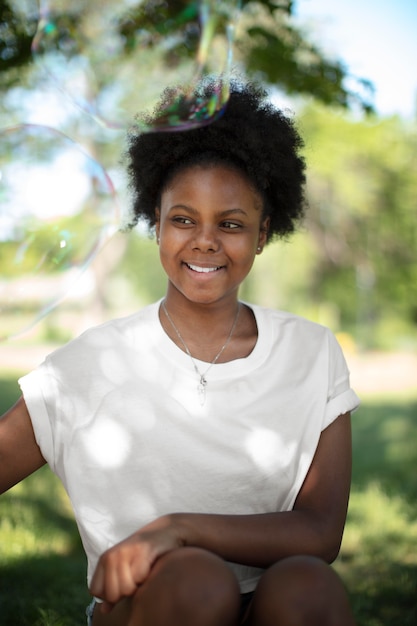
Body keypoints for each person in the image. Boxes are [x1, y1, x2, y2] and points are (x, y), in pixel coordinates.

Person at [0, 79, 360, 626]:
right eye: (184, 219)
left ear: (263, 234)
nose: (205, 241)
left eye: (232, 224)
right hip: (152, 606)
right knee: (197, 579)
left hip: (265, 605)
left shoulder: (313, 352)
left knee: (309, 585)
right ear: (157, 223)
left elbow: (320, 532)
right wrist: (175, 547)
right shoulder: (94, 360)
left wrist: (177, 526)